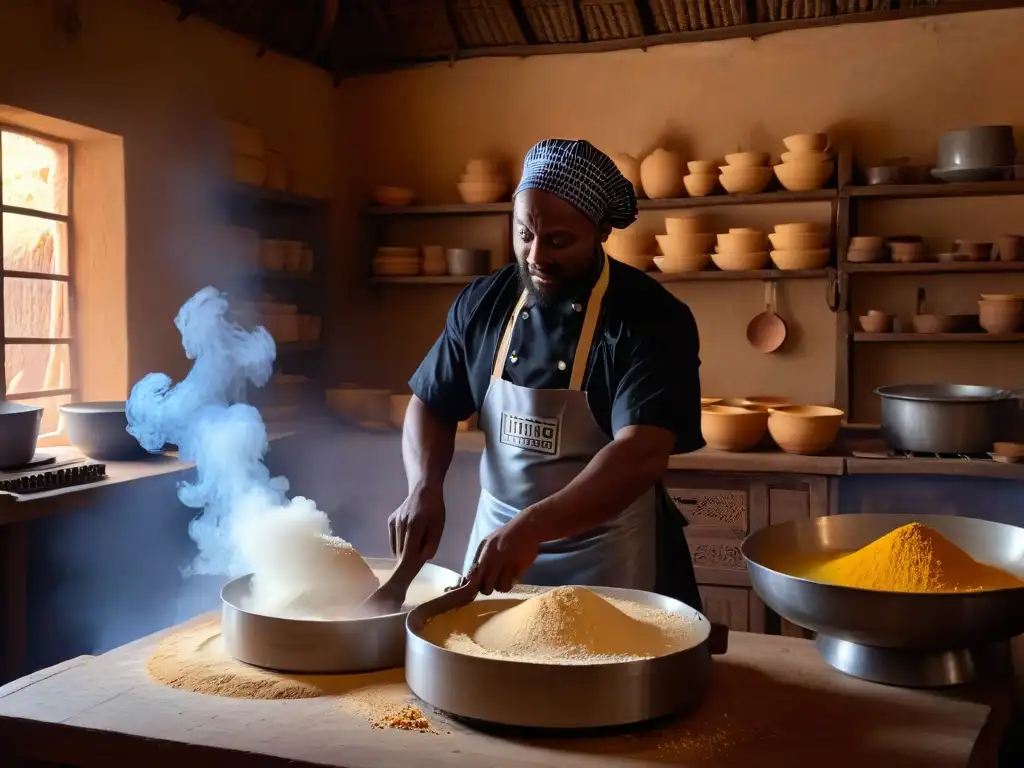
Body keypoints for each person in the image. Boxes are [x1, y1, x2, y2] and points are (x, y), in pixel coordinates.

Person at [389, 138, 704, 610]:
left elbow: (640, 454)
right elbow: (433, 402)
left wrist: (534, 526)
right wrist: (424, 485)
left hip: (608, 559)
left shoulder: (651, 319)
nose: (536, 256)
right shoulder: (483, 304)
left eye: (558, 241)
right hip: (495, 551)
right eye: (523, 234)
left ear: (601, 231)